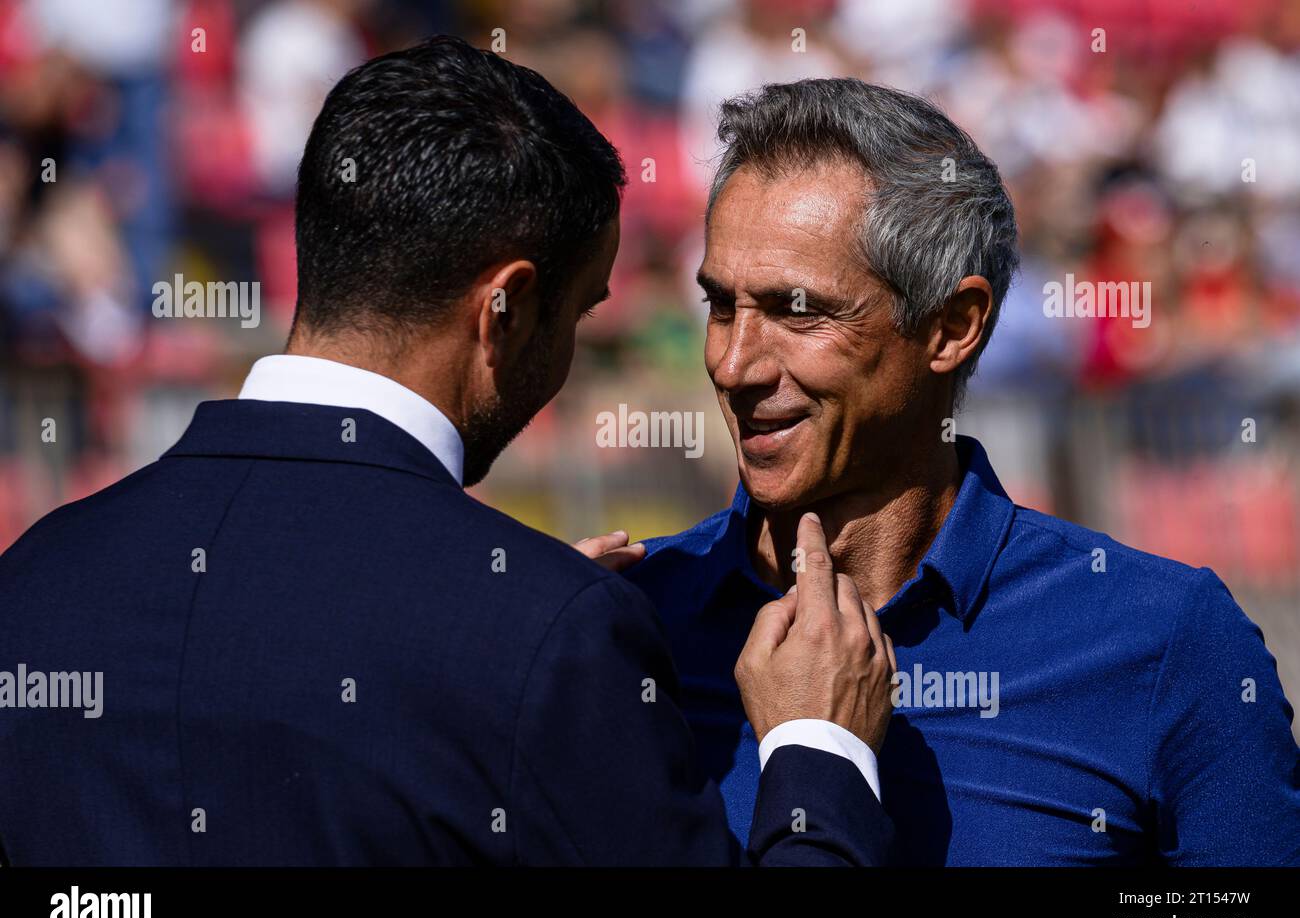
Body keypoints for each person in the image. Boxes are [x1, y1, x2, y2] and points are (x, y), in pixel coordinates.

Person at [0, 39, 895, 866]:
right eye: (579, 312)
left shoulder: (34, 581)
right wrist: (820, 750)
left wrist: (517, 640)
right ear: (505, 307)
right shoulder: (547, 634)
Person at [624, 78, 1300, 865]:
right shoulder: (630, 632)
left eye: (797, 311)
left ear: (952, 326)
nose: (734, 362)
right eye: (719, 306)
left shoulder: (1164, 640)